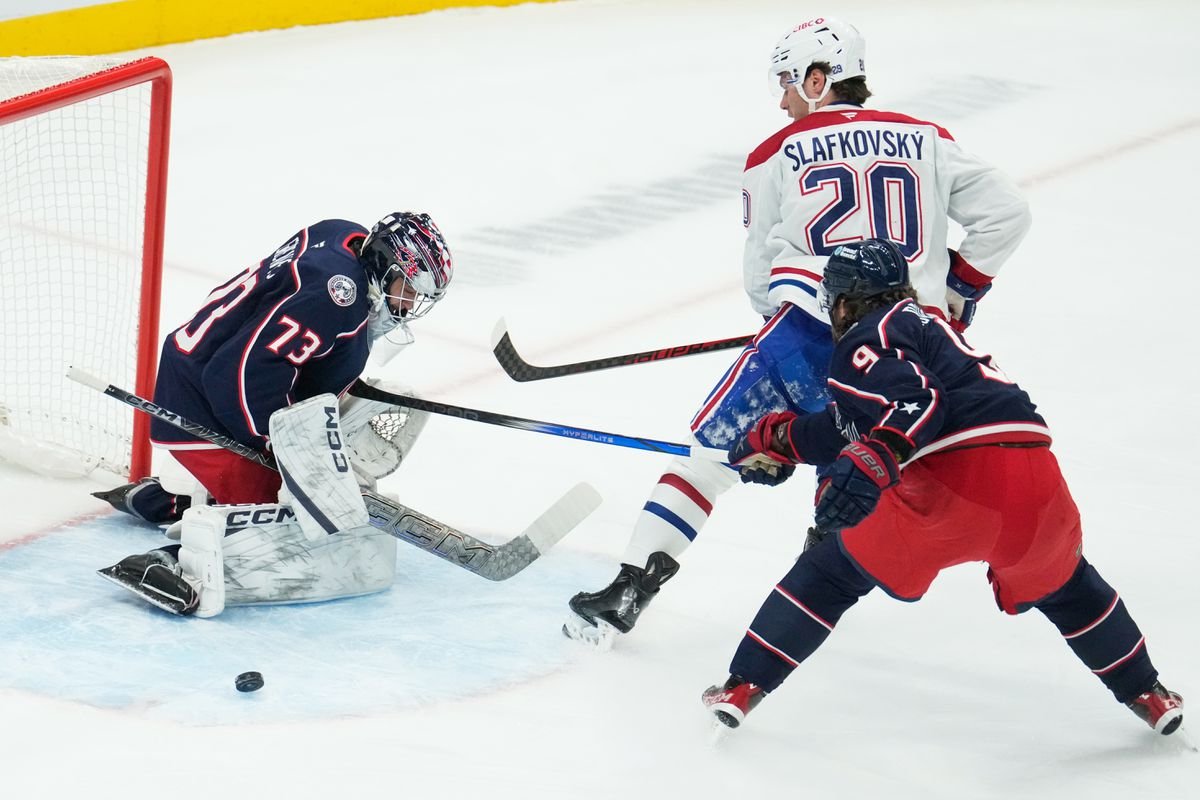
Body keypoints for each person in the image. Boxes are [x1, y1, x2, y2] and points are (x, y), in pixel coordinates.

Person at [564, 16, 1032, 645]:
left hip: (807, 335)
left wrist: (780, 346)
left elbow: (762, 272)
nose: (782, 97)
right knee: (853, 468)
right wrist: (953, 295)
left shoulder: (774, 154)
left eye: (789, 82)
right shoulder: (928, 138)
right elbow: (1008, 213)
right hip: (911, 346)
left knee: (709, 460)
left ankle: (628, 591)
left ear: (819, 80)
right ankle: (810, 600)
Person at [699, 239, 1184, 737]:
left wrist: (878, 455)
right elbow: (847, 425)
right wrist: (776, 438)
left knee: (831, 575)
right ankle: (1148, 692)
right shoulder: (928, 331)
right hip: (1034, 485)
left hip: (949, 487)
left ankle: (744, 685)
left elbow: (917, 402)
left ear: (844, 302)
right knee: (1070, 589)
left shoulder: (870, 335)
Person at [95, 211, 453, 617]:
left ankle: (170, 500)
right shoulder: (338, 296)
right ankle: (168, 561)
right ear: (385, 264)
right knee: (301, 519)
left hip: (203, 373)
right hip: (203, 406)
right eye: (407, 287)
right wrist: (281, 448)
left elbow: (284, 343)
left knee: (310, 488)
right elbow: (240, 371)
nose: (407, 304)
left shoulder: (344, 237)